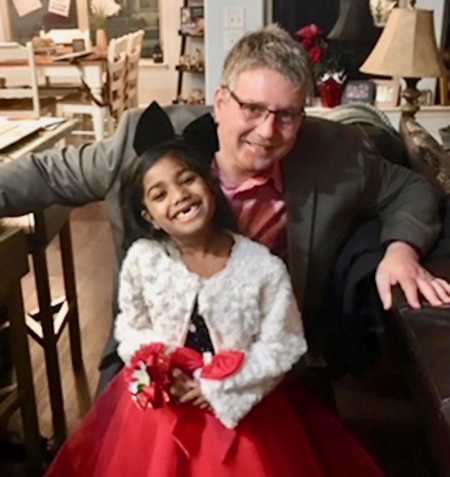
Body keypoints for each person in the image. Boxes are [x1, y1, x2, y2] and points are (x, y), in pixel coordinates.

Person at [0, 25, 449, 393]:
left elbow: (411, 188)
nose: (268, 131)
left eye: (287, 114)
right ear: (219, 102)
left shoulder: (335, 152)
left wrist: (401, 251)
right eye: (252, 109)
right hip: (157, 362)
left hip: (269, 374)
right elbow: (47, 173)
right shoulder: (143, 140)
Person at [44, 117, 385, 476]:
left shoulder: (261, 268)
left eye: (187, 179)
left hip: (243, 407)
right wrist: (156, 365)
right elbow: (131, 328)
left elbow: (284, 344)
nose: (179, 197)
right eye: (159, 195)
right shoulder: (143, 261)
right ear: (150, 217)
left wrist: (221, 388)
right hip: (162, 408)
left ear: (209, 184)